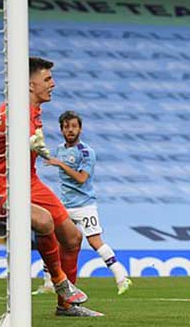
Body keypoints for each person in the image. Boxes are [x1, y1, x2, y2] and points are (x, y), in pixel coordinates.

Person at [0, 57, 102, 317]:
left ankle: (66, 307)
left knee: (73, 237)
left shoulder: (33, 110)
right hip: (0, 187)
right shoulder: (13, 112)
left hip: (30, 181)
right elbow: (3, 127)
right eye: (47, 79)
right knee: (44, 221)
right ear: (30, 85)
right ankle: (59, 280)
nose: (53, 84)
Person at [32, 111, 132, 296]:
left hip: (84, 205)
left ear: (80, 129)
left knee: (94, 241)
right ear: (61, 130)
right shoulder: (60, 149)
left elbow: (81, 178)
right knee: (51, 239)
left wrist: (60, 165)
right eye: (66, 127)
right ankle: (48, 284)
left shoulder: (86, 152)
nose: (70, 130)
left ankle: (121, 276)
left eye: (74, 126)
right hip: (64, 205)